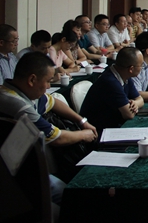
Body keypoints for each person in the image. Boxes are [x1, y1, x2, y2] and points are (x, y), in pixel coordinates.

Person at [0, 52, 98, 211]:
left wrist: (82, 121)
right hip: (14, 178)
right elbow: (57, 138)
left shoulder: (22, 91)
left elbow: (53, 102)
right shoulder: (16, 104)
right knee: (70, 200)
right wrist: (83, 134)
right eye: (47, 81)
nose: (48, 87)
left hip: (25, 168)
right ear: (32, 80)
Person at [80, 48, 144, 135]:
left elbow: (140, 99)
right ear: (131, 69)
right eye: (141, 65)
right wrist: (135, 105)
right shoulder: (110, 81)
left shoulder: (124, 75)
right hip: (98, 133)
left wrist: (135, 103)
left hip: (113, 126)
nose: (142, 67)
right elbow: (128, 115)